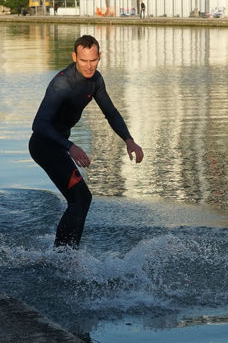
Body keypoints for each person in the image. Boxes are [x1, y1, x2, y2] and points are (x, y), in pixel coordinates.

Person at [29, 35, 143, 249]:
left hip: (59, 146)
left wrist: (129, 140)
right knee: (81, 198)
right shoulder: (61, 84)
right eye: (83, 60)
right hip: (43, 146)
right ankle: (64, 255)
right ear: (75, 57)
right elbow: (39, 124)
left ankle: (64, 254)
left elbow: (111, 113)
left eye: (93, 60)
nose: (89, 66)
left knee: (80, 199)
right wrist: (70, 147)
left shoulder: (96, 81)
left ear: (99, 57)